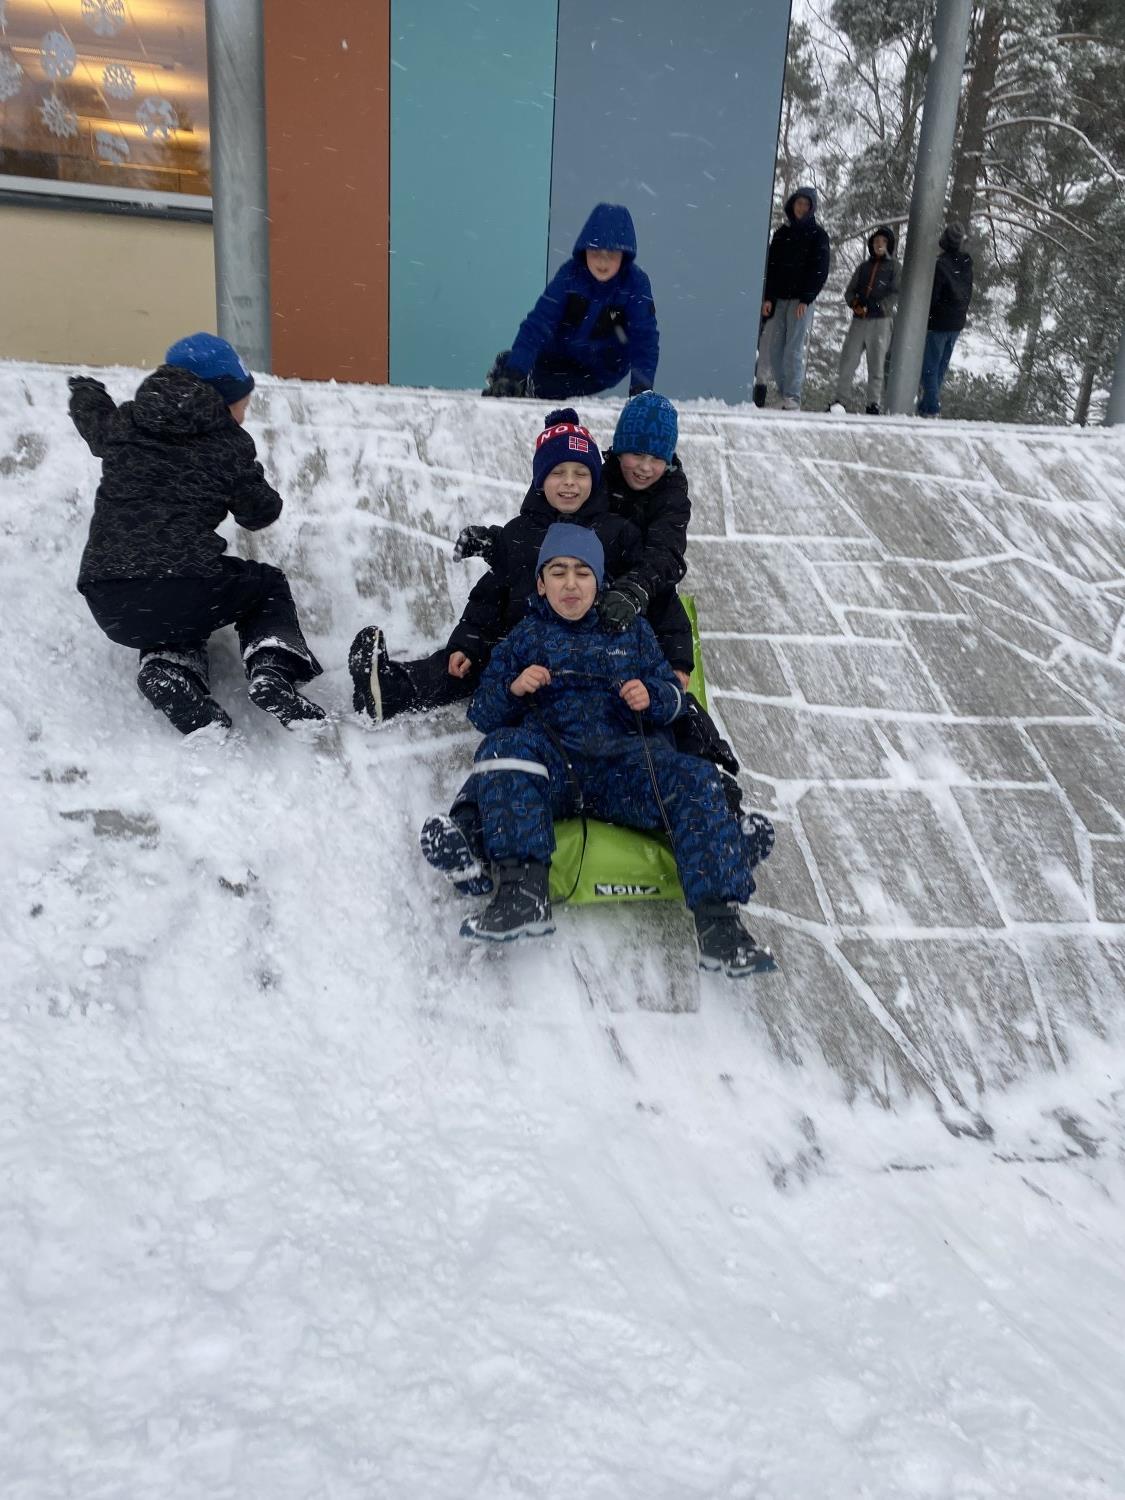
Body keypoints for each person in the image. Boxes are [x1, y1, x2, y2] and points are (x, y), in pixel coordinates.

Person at [419, 524, 776, 977]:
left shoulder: (633, 632)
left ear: (599, 581)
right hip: (554, 767)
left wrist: (651, 695)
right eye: (559, 572)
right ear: (541, 584)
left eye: (582, 573)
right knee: (503, 748)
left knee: (694, 776)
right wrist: (514, 687)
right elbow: (483, 713)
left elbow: (675, 699)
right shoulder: (524, 638)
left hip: (626, 767)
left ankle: (721, 929)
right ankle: (522, 896)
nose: (571, 584)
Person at [70, 333, 324, 735]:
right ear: (222, 399)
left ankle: (171, 670)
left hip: (108, 596)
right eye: (243, 403)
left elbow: (93, 421)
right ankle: (274, 668)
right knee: (264, 585)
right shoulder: (227, 444)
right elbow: (259, 514)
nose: (245, 413)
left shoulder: (126, 422)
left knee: (167, 611)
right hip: (185, 583)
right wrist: (252, 480)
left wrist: (86, 391)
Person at [348, 409, 647, 722]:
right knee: (459, 666)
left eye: (581, 473)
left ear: (595, 480)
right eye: (558, 473)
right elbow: (489, 597)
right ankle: (388, 689)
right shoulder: (519, 533)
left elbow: (646, 590)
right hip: (519, 653)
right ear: (540, 480)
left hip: (585, 657)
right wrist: (467, 644)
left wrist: (669, 659)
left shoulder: (616, 534)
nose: (569, 482)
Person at [482, 203, 658, 401]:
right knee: (514, 367)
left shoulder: (635, 284)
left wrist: (641, 390)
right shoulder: (570, 275)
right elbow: (538, 323)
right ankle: (509, 374)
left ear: (624, 255)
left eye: (611, 255)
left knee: (545, 388)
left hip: (597, 371)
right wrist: (514, 373)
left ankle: (525, 382)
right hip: (556, 355)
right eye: (595, 253)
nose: (602, 263)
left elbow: (645, 340)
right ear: (584, 250)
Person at [753, 186, 831, 412]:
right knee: (775, 349)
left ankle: (792, 396)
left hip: (800, 302)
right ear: (792, 205)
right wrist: (768, 298)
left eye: (806, 204)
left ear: (812, 208)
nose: (801, 208)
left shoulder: (818, 235)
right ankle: (784, 394)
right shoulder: (781, 234)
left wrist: (806, 299)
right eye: (799, 203)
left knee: (794, 349)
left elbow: (820, 270)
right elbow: (771, 268)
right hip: (779, 299)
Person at [828, 225, 901, 415]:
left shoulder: (894, 267)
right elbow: (849, 291)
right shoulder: (863, 267)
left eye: (883, 241)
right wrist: (855, 304)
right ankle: (840, 401)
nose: (879, 245)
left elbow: (896, 293)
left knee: (876, 364)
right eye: (876, 241)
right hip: (859, 320)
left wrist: (879, 306)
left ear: (889, 245)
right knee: (848, 360)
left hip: (881, 322)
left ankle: (873, 404)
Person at [918, 223, 974, 417]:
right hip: (956, 322)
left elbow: (934, 296)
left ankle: (932, 408)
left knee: (929, 367)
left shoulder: (940, 265)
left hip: (939, 323)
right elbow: (967, 293)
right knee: (941, 366)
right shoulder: (966, 264)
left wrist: (928, 316)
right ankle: (926, 407)